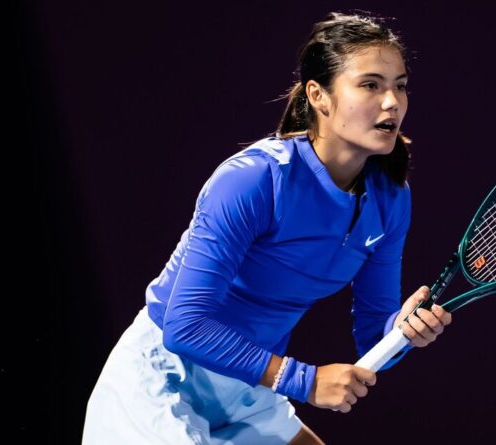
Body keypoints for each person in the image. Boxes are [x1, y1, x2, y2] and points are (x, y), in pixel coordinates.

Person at [82, 11, 452, 445]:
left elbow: (374, 334)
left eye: (400, 86)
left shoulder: (391, 198)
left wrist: (402, 332)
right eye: (371, 85)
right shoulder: (254, 179)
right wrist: (305, 381)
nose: (392, 102)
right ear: (319, 96)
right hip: (163, 380)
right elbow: (184, 325)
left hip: (246, 384)